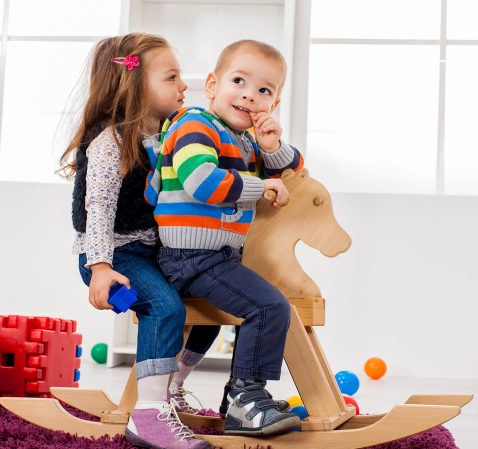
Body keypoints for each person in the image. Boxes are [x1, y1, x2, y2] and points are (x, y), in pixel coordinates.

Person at [60, 32, 210, 449]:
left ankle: (170, 389)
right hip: (114, 254)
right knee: (164, 308)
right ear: (134, 85)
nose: (183, 86)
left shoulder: (168, 134)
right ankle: (149, 419)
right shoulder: (109, 141)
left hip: (153, 252)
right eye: (171, 77)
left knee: (212, 306)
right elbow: (98, 208)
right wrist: (100, 268)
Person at [148, 39, 304, 436]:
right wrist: (261, 187)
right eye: (239, 81)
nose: (250, 95)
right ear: (213, 85)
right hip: (189, 256)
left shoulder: (245, 140)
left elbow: (294, 170)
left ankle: (208, 392)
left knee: (223, 318)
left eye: (264, 90)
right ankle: (245, 397)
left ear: (273, 104)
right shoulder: (195, 125)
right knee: (269, 306)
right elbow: (201, 182)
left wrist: (271, 146)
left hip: (216, 257)